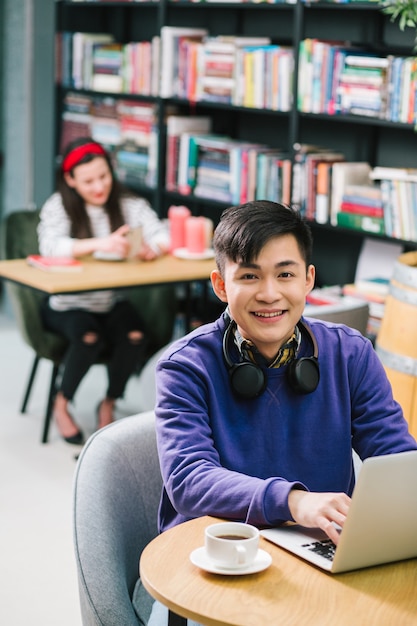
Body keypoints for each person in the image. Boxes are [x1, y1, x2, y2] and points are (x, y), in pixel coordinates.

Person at [155, 199, 417, 537]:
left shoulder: (351, 354)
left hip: (316, 546)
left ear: (308, 280)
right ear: (221, 285)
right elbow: (188, 479)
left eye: (285, 274)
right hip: (216, 549)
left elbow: (396, 459)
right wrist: (293, 502)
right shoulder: (185, 366)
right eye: (249, 276)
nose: (269, 293)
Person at [38, 137, 170, 444]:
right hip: (66, 304)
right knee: (88, 337)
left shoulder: (129, 205)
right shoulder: (59, 206)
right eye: (88, 181)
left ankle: (108, 402)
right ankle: (61, 403)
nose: (99, 187)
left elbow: (161, 232)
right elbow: (49, 246)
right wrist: (101, 243)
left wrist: (154, 248)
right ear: (70, 180)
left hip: (110, 301)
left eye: (104, 176)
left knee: (136, 335)